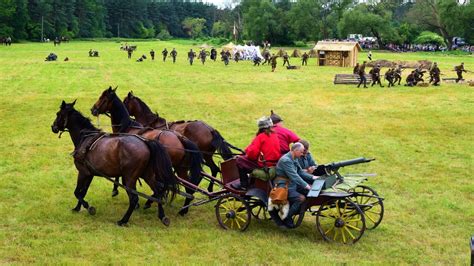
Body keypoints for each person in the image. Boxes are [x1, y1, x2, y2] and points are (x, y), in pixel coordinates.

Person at [276, 142, 320, 228]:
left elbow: (299, 172)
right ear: (295, 151)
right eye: (301, 152)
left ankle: (296, 209)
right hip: (284, 185)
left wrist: (313, 178)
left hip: (292, 184)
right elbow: (294, 176)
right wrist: (307, 186)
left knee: (310, 192)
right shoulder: (286, 160)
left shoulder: (294, 158)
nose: (303, 154)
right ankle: (286, 218)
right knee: (301, 198)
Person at [232, 116, 281, 191]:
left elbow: (252, 154)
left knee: (239, 160)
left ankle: (243, 185)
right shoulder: (274, 135)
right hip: (274, 163)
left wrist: (246, 153)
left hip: (264, 165)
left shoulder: (261, 137)